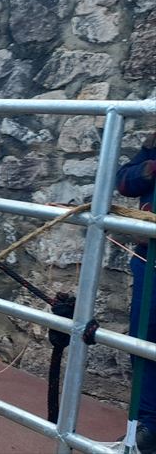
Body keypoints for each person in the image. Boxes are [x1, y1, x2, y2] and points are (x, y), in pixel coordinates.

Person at [116, 130, 156, 454]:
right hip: (150, 262)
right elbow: (125, 183)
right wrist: (148, 159)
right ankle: (148, 427)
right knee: (143, 342)